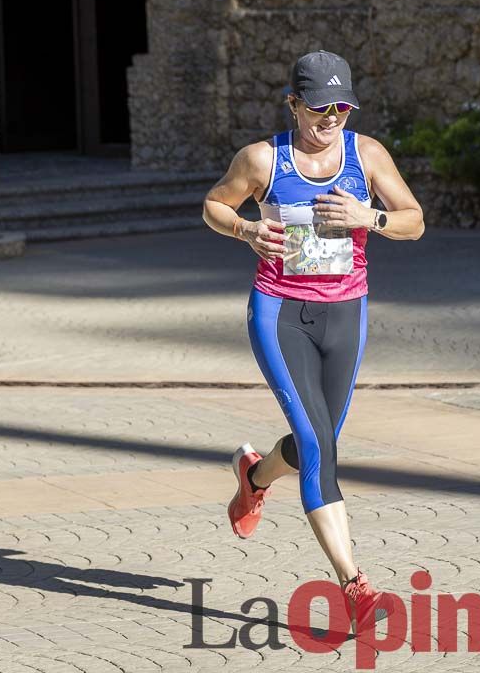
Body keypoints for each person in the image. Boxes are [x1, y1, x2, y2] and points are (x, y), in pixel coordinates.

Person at [201, 49, 425, 632]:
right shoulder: (262, 159)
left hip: (346, 314)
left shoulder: (366, 154)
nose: (332, 119)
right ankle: (356, 585)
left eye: (342, 107)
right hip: (279, 314)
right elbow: (213, 205)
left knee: (315, 441)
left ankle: (252, 478)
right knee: (319, 445)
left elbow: (414, 219)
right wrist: (247, 228)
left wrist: (366, 216)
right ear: (294, 104)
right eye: (320, 107)